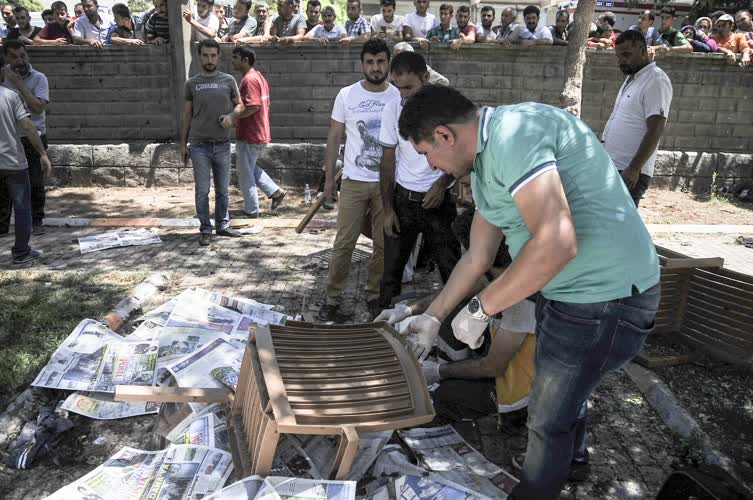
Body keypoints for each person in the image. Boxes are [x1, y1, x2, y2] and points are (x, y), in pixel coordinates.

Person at [398, 85, 660, 499]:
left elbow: (557, 242)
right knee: (566, 392)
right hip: (566, 293)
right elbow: (478, 256)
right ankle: (572, 462)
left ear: (445, 135)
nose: (431, 166)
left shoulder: (513, 136)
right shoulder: (486, 161)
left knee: (546, 419)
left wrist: (482, 308)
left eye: (427, 153)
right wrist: (433, 316)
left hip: (604, 298)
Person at [317, 38, 399, 322]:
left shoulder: (397, 96)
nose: (375, 67)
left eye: (380, 62)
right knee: (344, 243)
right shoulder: (346, 95)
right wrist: (329, 179)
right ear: (362, 64)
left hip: (387, 185)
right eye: (370, 62)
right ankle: (332, 298)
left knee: (382, 245)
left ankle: (374, 296)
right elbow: (334, 136)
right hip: (353, 181)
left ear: (388, 63)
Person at [378, 52, 459, 311]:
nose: (403, 95)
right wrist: (388, 210)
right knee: (390, 274)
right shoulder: (392, 109)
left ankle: (455, 327)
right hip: (403, 201)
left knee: (452, 271)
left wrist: (442, 184)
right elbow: (387, 162)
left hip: (438, 202)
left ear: (425, 78)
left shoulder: (446, 109)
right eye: (398, 87)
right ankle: (382, 324)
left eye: (409, 87)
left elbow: (462, 154)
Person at [180, 39, 244, 246]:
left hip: (222, 144)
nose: (209, 59)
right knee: (202, 191)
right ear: (199, 57)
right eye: (205, 55)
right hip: (199, 145)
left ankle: (222, 226)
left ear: (219, 57)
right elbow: (187, 115)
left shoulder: (228, 80)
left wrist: (231, 116)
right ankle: (205, 229)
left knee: (223, 190)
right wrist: (182, 144)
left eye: (213, 56)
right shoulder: (192, 83)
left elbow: (240, 105)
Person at [602, 30, 672, 207]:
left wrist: (634, 168)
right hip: (613, 166)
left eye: (626, 55)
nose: (621, 61)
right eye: (618, 57)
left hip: (630, 171)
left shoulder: (656, 80)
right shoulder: (632, 79)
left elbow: (656, 129)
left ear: (643, 51)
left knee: (621, 222)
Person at [0, 52, 51, 263]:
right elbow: (28, 127)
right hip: (12, 160)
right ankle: (21, 252)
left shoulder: (31, 82)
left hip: (12, 160)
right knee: (22, 208)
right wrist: (42, 154)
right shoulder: (11, 96)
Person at [231, 44, 287, 218]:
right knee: (248, 168)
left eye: (235, 57)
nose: (232, 61)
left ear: (245, 60)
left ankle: (251, 210)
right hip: (258, 132)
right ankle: (275, 192)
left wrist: (234, 117)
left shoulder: (249, 80)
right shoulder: (259, 77)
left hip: (251, 134)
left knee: (245, 173)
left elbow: (253, 106)